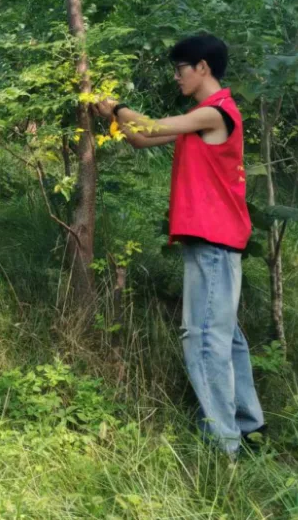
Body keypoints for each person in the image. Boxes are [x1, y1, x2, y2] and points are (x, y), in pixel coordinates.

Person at [94, 34, 264, 456]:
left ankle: (224, 446)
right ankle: (247, 427)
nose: (176, 77)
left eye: (180, 69)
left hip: (214, 242)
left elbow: (149, 124)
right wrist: (109, 117)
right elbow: (141, 138)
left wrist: (116, 107)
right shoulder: (199, 117)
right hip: (212, 242)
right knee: (225, 337)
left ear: (202, 67)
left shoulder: (216, 112)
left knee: (204, 337)